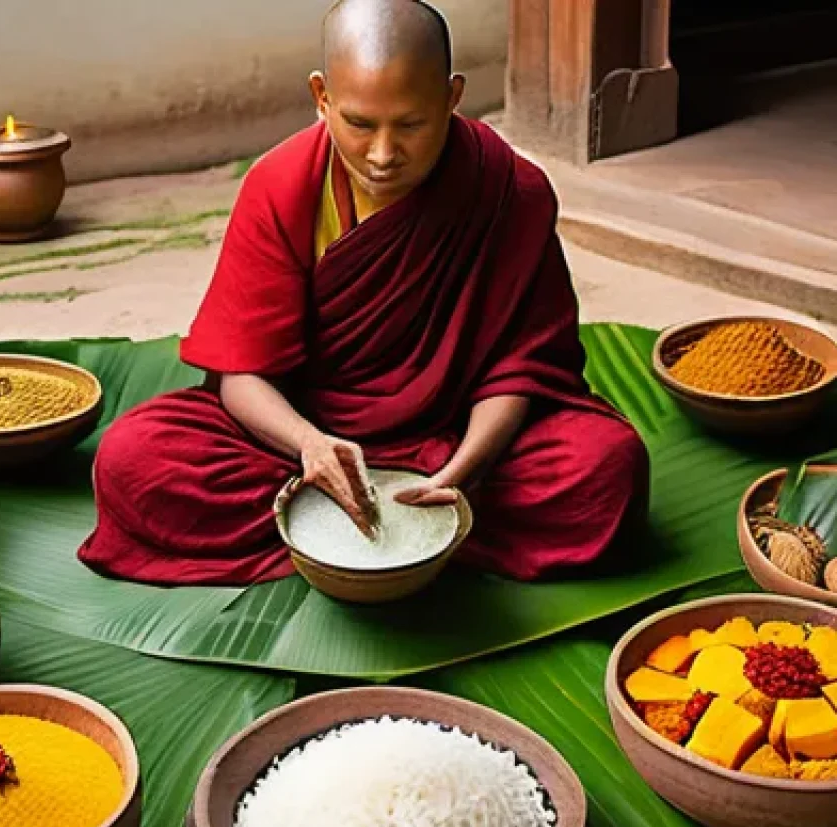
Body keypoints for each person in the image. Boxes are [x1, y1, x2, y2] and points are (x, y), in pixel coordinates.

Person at [78, 0, 649, 586]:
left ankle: (380, 527)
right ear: (321, 96)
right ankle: (340, 515)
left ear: (452, 97)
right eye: (358, 123)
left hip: (457, 434)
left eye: (411, 124)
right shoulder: (282, 187)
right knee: (135, 458)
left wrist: (464, 470)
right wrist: (309, 445)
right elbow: (242, 371)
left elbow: (520, 368)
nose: (382, 154)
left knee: (604, 466)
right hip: (305, 439)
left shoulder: (507, 190)